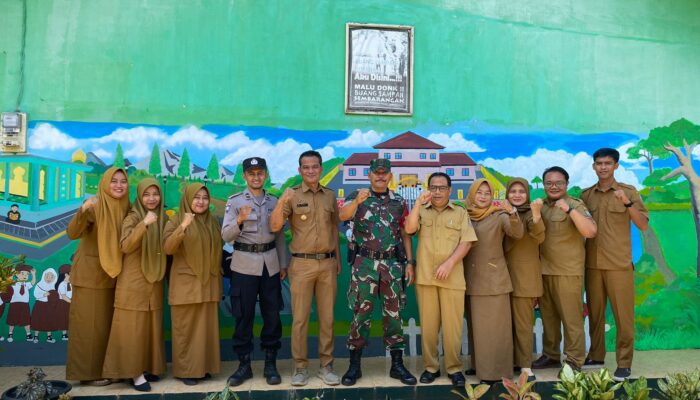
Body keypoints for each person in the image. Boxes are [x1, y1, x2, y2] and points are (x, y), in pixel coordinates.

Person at [339, 158, 417, 386]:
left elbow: (405, 233)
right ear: (370, 175)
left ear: (390, 176)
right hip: (364, 265)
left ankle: (397, 364)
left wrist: (410, 263)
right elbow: (342, 216)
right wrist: (357, 202)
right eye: (376, 173)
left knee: (394, 315)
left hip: (392, 265)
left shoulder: (399, 201)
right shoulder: (357, 196)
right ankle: (354, 366)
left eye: (384, 173)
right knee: (360, 315)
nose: (380, 176)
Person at [270, 150, 341, 387]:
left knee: (327, 318)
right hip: (300, 264)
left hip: (328, 264)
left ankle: (326, 365)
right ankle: (300, 368)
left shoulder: (330, 196)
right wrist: (282, 200)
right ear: (299, 170)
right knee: (300, 319)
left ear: (321, 169)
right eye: (306, 167)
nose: (311, 170)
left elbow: (334, 229)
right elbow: (275, 226)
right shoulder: (292, 195)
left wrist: (337, 260)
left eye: (315, 166)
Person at [581, 148, 648, 381]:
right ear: (593, 166)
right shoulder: (586, 195)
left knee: (623, 316)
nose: (603, 167)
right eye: (598, 163)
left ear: (616, 166)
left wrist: (628, 203)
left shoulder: (628, 192)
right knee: (596, 315)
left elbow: (643, 225)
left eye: (608, 163)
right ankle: (596, 355)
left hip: (619, 264)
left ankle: (624, 362)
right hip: (592, 264)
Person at [404, 172, 477, 387]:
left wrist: (449, 263)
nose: (437, 192)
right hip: (426, 277)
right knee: (428, 326)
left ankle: (454, 368)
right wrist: (417, 204)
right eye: (433, 187)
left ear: (449, 190)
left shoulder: (461, 213)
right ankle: (431, 367)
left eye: (442, 188)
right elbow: (409, 229)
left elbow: (467, 242)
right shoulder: (421, 211)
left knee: (453, 327)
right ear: (428, 189)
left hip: (452, 278)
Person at [222, 157, 288, 387]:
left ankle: (270, 364)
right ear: (244, 176)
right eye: (251, 173)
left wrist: (283, 264)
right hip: (243, 265)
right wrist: (239, 220)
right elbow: (226, 236)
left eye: (260, 172)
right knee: (243, 316)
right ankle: (244, 366)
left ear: (266, 175)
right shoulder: (235, 202)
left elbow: (279, 235)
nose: (256, 177)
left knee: (272, 315)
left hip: (269, 264)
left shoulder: (274, 201)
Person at [65, 167, 130, 386]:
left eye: (123, 181)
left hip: (113, 275)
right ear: (104, 183)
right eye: (114, 181)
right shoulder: (96, 205)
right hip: (90, 275)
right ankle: (87, 373)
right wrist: (83, 210)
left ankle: (106, 368)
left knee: (104, 327)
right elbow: (73, 233)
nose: (119, 185)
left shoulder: (126, 207)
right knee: (88, 326)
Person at [102, 178, 167, 391]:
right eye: (146, 194)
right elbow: (125, 245)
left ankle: (148, 366)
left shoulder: (163, 217)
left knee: (150, 327)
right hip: (133, 282)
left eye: (155, 194)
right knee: (132, 329)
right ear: (139, 196)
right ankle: (134, 373)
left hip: (153, 281)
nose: (151, 198)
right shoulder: (133, 217)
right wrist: (144, 224)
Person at [532, 166, 596, 372]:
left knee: (572, 320)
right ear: (543, 185)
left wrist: (569, 211)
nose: (554, 186)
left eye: (559, 182)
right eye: (549, 183)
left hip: (568, 272)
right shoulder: (540, 206)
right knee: (549, 318)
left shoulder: (574, 204)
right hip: (544, 271)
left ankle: (574, 360)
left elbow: (591, 231)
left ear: (566, 184)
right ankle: (551, 355)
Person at [463, 178, 523, 383]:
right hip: (468, 279)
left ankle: (496, 372)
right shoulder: (465, 215)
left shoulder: (499, 216)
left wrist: (513, 213)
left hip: (493, 280)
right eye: (479, 192)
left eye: (487, 193)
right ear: (472, 194)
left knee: (495, 328)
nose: (483, 197)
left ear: (493, 197)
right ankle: (478, 365)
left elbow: (517, 233)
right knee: (477, 328)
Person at [163, 183, 223, 385]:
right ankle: (186, 371)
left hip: (207, 285)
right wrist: (183, 226)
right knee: (186, 330)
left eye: (205, 198)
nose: (201, 201)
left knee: (204, 329)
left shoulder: (212, 221)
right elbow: (168, 248)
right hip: (186, 286)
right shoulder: (177, 219)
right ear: (188, 198)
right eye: (196, 197)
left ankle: (202, 368)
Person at [504, 178, 545, 381]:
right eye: (513, 191)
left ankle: (526, 366)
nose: (517, 195)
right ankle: (509, 361)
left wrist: (537, 215)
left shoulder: (531, 213)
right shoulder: (501, 212)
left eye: (522, 191)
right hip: (501, 277)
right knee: (504, 324)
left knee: (523, 325)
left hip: (525, 278)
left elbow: (539, 236)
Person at [7, 264, 36, 342]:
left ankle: (28, 334)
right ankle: (10, 334)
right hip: (14, 304)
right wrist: (11, 273)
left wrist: (33, 274)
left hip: (24, 305)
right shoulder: (14, 283)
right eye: (22, 273)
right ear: (16, 274)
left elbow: (33, 282)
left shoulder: (27, 284)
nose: (25, 276)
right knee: (12, 319)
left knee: (26, 320)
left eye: (27, 274)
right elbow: (8, 280)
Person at [32, 268, 61, 343]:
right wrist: (44, 294)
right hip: (40, 305)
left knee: (49, 320)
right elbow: (35, 294)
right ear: (43, 276)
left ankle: (49, 337)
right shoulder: (39, 284)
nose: (49, 278)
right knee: (38, 320)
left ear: (54, 278)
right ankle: (36, 336)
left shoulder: (54, 286)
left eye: (51, 277)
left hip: (50, 306)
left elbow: (56, 296)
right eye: (47, 276)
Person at [56, 264, 72, 341]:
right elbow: (63, 296)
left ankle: (70, 333)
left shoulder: (71, 284)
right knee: (64, 318)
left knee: (70, 318)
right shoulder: (62, 285)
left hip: (70, 303)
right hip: (63, 304)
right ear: (66, 274)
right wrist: (71, 302)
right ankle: (64, 334)